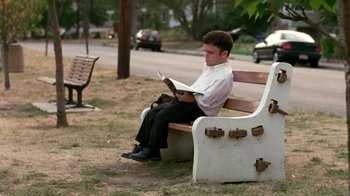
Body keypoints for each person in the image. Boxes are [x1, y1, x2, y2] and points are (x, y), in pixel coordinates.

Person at [122, 30, 234, 162]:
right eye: (205, 52)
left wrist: (191, 98)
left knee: (163, 116)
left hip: (200, 111)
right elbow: (198, 88)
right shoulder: (210, 67)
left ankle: (153, 149)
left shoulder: (224, 76)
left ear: (224, 54)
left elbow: (208, 100)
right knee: (153, 112)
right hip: (190, 105)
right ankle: (143, 146)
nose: (206, 56)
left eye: (210, 53)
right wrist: (182, 92)